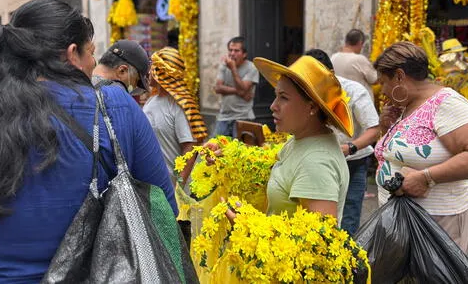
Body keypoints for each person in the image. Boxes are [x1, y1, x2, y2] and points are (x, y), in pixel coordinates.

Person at [0, 0, 176, 282]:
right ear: (72, 54)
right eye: (91, 54)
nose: (93, 65)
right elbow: (164, 216)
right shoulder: (116, 108)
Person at [374, 41, 468, 252]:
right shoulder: (406, 104)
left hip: (437, 223)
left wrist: (426, 177)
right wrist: (386, 128)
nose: (383, 91)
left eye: (384, 82)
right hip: (405, 220)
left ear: (400, 76)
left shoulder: (447, 104)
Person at [213, 55, 355, 224]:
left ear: (311, 107)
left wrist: (247, 225)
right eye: (276, 96)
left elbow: (318, 243)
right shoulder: (300, 139)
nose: (273, 106)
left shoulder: (316, 162)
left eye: (284, 97)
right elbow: (273, 164)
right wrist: (230, 154)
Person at [304, 49, 380, 235]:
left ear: (330, 73)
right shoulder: (305, 90)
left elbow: (374, 129)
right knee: (317, 220)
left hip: (353, 163)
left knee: (348, 220)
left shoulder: (354, 91)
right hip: (317, 163)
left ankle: (346, 262)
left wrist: (349, 148)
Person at [144, 47, 208, 185]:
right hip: (156, 182)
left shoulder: (180, 105)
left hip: (173, 186)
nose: (148, 72)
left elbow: (189, 148)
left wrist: (178, 187)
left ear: (162, 72)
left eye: (153, 67)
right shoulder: (152, 99)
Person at [214, 36, 259, 137]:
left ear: (244, 54)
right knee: (217, 150)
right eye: (230, 50)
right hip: (223, 117)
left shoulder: (252, 68)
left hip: (243, 117)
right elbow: (217, 88)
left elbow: (243, 88)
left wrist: (233, 68)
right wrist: (239, 92)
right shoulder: (224, 66)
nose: (232, 53)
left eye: (236, 50)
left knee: (240, 150)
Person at [331, 29, 378, 99]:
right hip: (358, 104)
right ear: (360, 43)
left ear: (346, 41)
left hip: (340, 103)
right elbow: (375, 79)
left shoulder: (333, 58)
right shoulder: (359, 59)